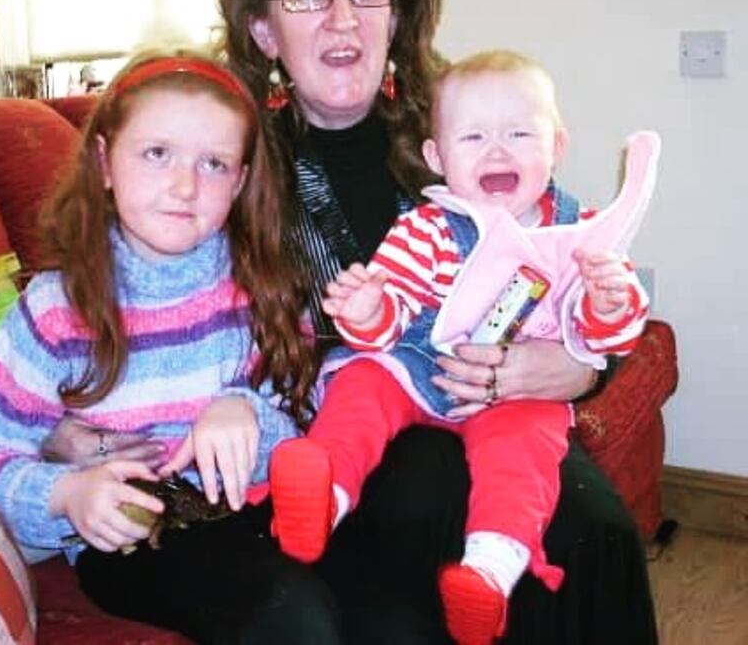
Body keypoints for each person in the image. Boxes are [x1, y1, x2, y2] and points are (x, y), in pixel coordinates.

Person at [43, 0, 659, 644]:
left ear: (395, 11)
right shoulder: (220, 153)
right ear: (265, 30)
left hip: (489, 414)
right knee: (449, 497)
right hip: (325, 439)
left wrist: (577, 366)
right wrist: (72, 433)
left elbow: (567, 254)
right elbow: (103, 300)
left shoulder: (461, 122)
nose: (342, 15)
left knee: (593, 527)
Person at [0, 50, 342, 645]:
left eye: (213, 163)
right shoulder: (59, 307)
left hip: (262, 510)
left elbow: (311, 415)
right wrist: (66, 494)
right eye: (157, 154)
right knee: (295, 617)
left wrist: (248, 411)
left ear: (238, 183)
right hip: (134, 542)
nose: (184, 186)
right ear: (106, 162)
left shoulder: (262, 288)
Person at [268, 49, 655, 645]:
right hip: (416, 366)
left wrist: (606, 308)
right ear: (436, 157)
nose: (497, 150)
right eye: (473, 137)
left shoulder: (581, 231)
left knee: (526, 454)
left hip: (518, 389)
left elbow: (604, 336)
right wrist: (368, 311)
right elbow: (389, 308)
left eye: (519, 133)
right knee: (361, 383)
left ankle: (488, 574)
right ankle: (324, 494)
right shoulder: (425, 228)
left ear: (556, 145)